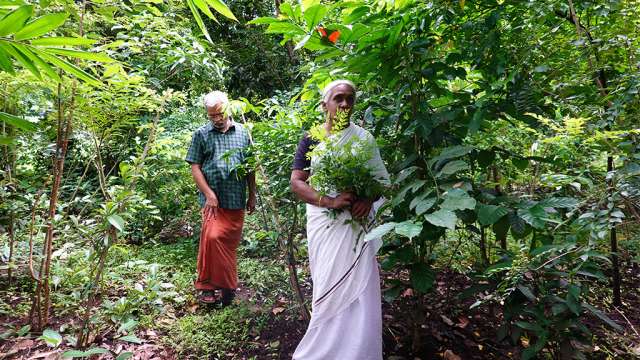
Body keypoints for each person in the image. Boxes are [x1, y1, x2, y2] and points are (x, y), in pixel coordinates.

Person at [290, 80, 390, 359]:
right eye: (338, 98)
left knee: (360, 290)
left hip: (356, 227)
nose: (345, 104)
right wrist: (331, 201)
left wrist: (367, 200)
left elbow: (382, 182)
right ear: (325, 105)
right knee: (328, 285)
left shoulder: (364, 139)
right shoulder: (312, 138)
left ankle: (360, 352)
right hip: (325, 223)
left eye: (350, 99)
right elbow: (298, 182)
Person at [185, 91, 257, 305]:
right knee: (212, 239)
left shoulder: (244, 133)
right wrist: (208, 194)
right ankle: (207, 286)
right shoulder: (201, 134)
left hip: (235, 199)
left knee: (227, 246)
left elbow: (250, 167)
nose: (216, 119)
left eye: (219, 114)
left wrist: (252, 195)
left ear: (228, 109)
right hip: (212, 202)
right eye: (211, 116)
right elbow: (195, 166)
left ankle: (226, 288)